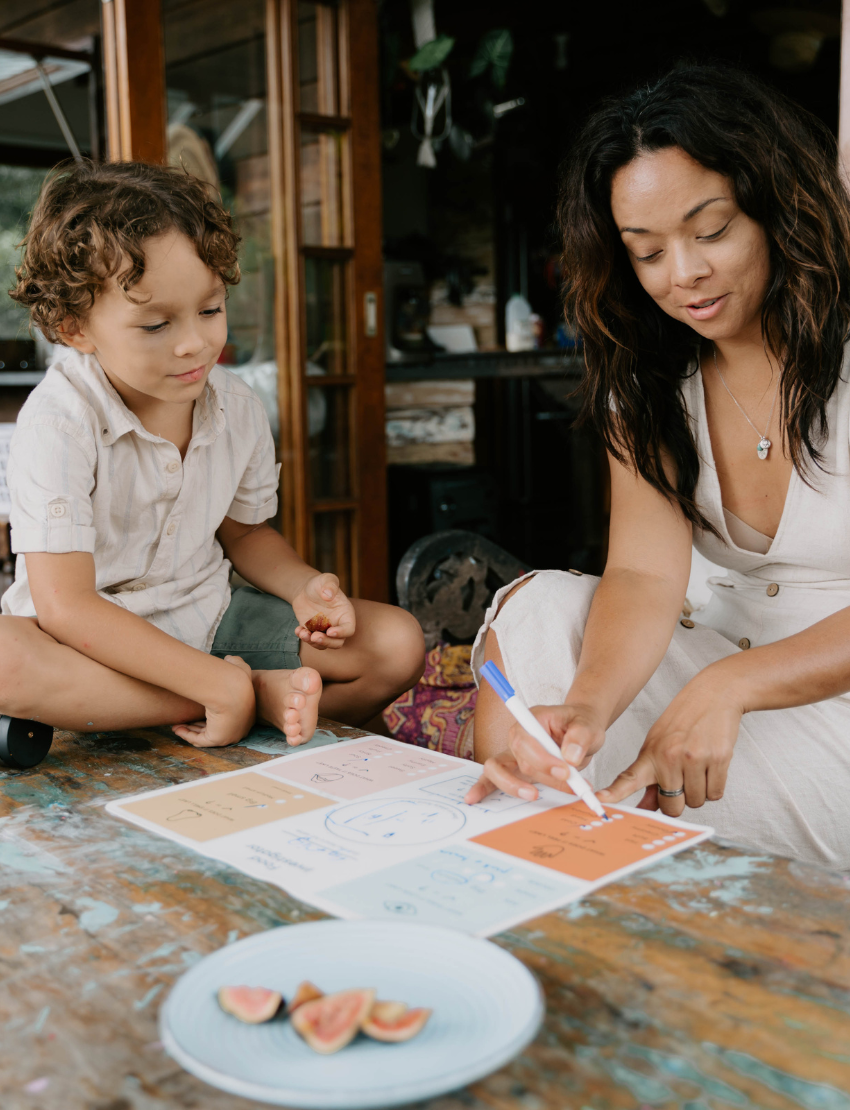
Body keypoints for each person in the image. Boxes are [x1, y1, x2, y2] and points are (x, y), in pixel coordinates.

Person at [466, 63, 850, 868]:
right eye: (647, 252)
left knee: (617, 799)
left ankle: (551, 834)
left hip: (827, 690)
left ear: (780, 209)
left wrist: (730, 689)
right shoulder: (650, 379)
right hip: (715, 655)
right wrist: (590, 705)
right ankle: (559, 812)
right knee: (539, 610)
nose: (683, 275)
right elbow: (642, 576)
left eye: (710, 232)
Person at [4, 160, 424, 748]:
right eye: (155, 325)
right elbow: (66, 607)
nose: (195, 343)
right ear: (76, 327)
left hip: (210, 618)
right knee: (6, 661)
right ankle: (245, 697)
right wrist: (219, 686)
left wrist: (303, 586)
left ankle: (216, 698)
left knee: (397, 643)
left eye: (210, 309)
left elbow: (247, 536)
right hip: (86, 643)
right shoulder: (59, 423)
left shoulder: (237, 407)